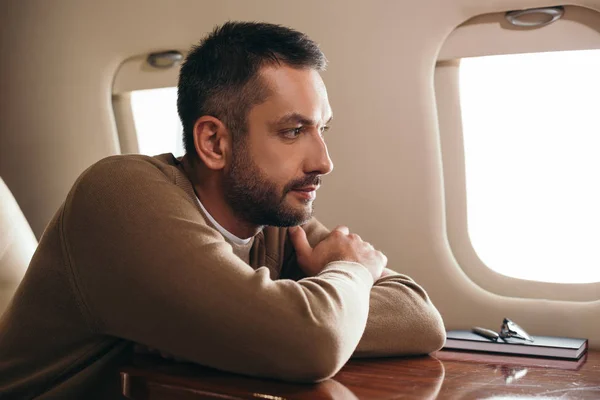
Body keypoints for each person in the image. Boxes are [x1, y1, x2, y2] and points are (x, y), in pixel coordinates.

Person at [0, 21, 446, 399]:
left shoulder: (272, 213)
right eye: (293, 131)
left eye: (322, 129)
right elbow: (309, 342)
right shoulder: (120, 194)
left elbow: (422, 318)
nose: (323, 161)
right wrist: (349, 275)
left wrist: (250, 328)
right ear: (214, 142)